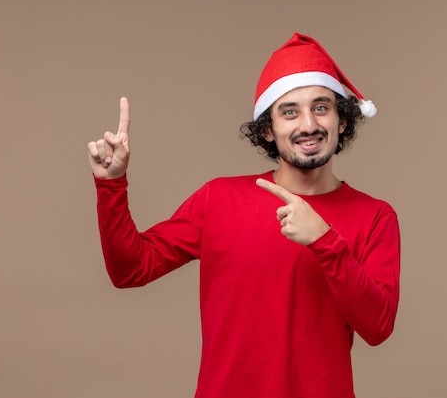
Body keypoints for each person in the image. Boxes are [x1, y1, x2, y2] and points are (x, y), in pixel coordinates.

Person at [87, 32, 400, 398]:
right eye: (289, 111)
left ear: (341, 120)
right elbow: (131, 269)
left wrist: (324, 241)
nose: (309, 125)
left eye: (320, 107)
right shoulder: (218, 199)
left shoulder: (375, 216)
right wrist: (111, 185)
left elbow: (378, 327)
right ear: (267, 130)